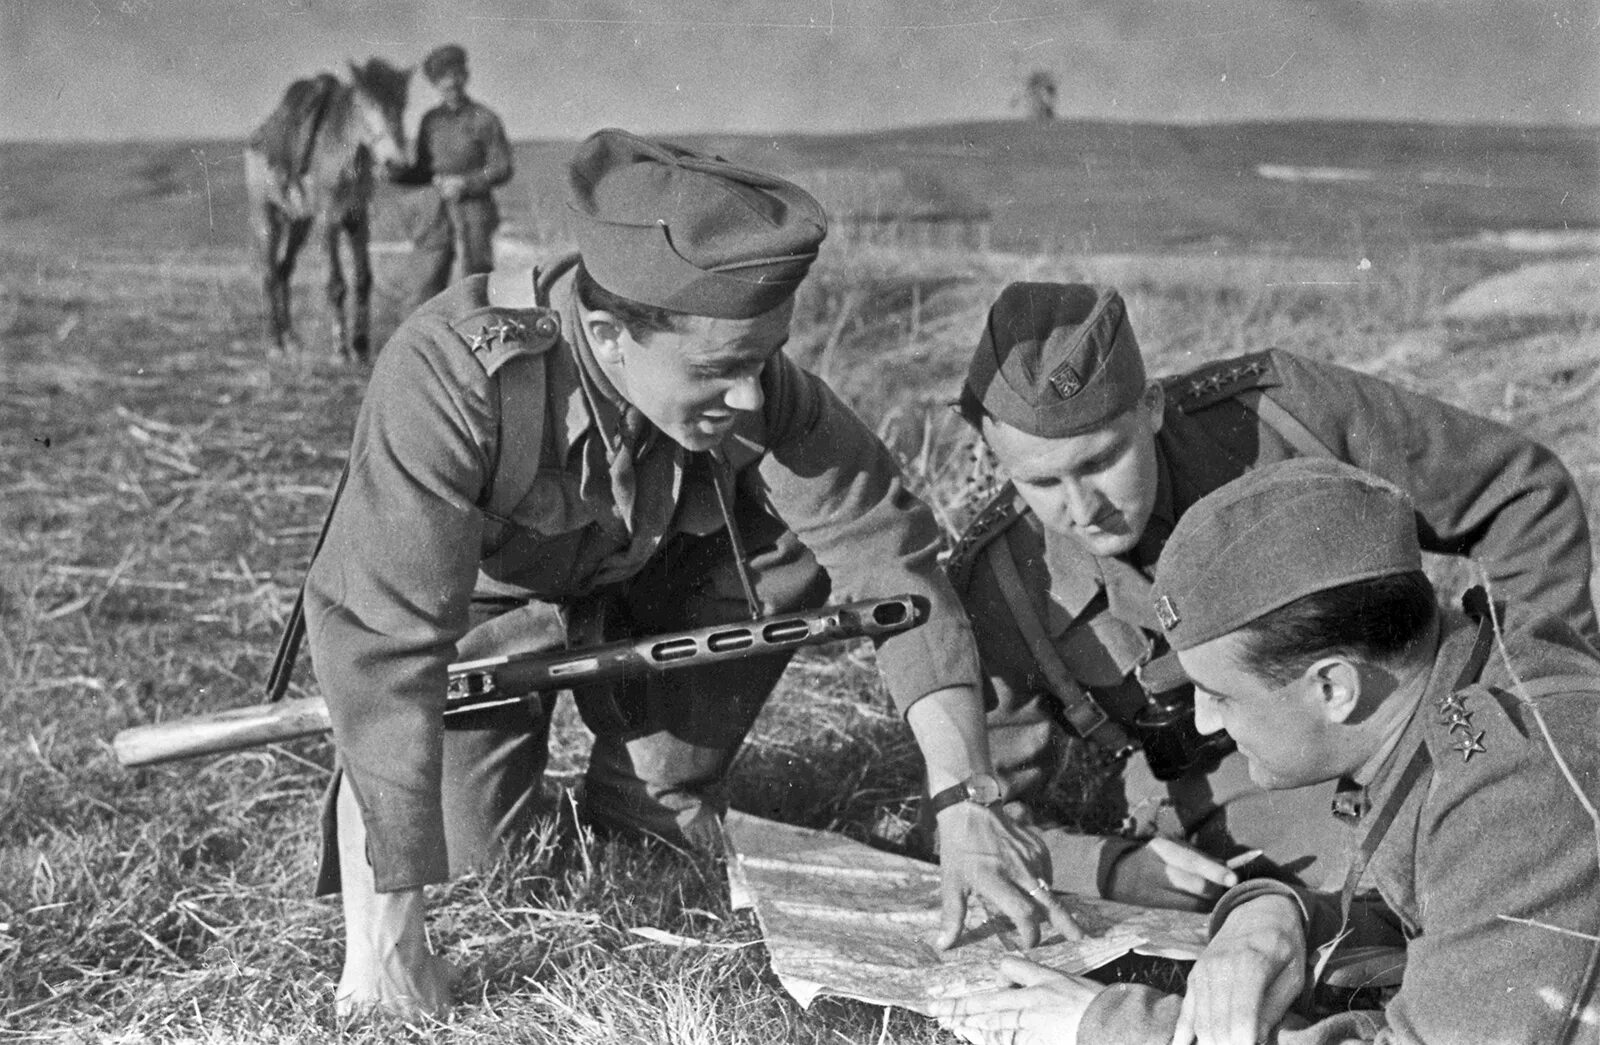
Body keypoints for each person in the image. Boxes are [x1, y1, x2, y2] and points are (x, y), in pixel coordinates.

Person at [306, 128, 1080, 1020]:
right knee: (473, 856)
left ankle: (648, 790)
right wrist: (391, 944)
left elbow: (889, 554)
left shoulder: (747, 382)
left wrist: (964, 796)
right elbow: (382, 644)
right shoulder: (453, 376)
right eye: (720, 371)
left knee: (787, 549)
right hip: (484, 619)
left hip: (643, 581)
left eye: (764, 359)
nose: (753, 397)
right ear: (607, 333)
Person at [946, 281, 1597, 909]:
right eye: (1041, 482)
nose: (1082, 506)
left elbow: (1522, 493)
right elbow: (966, 810)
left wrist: (1533, 699)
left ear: (1151, 405)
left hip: (1399, 701)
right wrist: (1109, 869)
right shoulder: (1003, 577)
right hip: (1243, 782)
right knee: (1385, 881)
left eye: (1099, 461)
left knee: (1530, 814)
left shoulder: (1285, 415)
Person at [930, 458, 1600, 1045]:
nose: (1204, 719)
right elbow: (1454, 917)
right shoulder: (1467, 682)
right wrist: (1280, 912)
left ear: (1334, 686)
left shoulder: (1516, 789)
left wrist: (1111, 1026)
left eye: (1220, 693)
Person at [388, 43, 514, 309]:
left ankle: (479, 341)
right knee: (427, 285)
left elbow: (502, 166)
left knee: (476, 283)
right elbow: (423, 170)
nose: (450, 83)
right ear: (435, 84)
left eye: (456, 75)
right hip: (436, 212)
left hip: (475, 211)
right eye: (443, 78)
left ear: (464, 76)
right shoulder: (430, 121)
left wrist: (466, 183)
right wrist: (395, 173)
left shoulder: (485, 118)